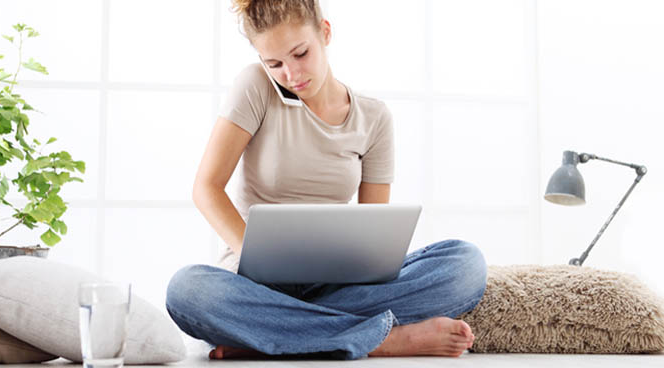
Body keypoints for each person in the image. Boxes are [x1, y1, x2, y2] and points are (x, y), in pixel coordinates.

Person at [165, 0, 487, 360]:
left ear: (326, 33)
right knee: (188, 292)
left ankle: (275, 337)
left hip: (338, 284)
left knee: (465, 264)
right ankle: (383, 340)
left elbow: (374, 232)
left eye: (300, 54)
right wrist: (256, 258)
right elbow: (205, 188)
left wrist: (361, 267)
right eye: (274, 64)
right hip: (258, 286)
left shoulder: (374, 118)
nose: (290, 73)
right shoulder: (254, 86)